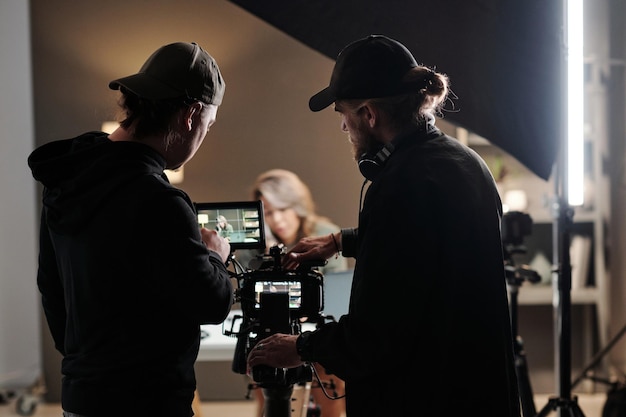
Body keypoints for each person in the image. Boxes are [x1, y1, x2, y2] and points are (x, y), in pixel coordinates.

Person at [247, 35, 521, 417]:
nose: (344, 127)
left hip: (424, 396)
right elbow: (432, 244)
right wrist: (340, 241)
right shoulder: (464, 162)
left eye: (343, 114)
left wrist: (300, 347)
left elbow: (378, 334)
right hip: (475, 391)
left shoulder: (398, 186)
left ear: (369, 115)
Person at [27, 42, 233, 417]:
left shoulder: (67, 179)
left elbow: (50, 287)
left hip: (81, 397)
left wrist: (91, 360)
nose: (204, 136)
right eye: (209, 125)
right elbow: (212, 303)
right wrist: (216, 256)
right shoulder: (160, 201)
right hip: (148, 402)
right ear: (190, 115)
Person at [246, 168, 347, 417]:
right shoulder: (256, 245)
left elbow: (330, 292)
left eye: (282, 209)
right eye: (268, 212)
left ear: (297, 205)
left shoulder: (325, 235)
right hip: (269, 331)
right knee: (266, 390)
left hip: (318, 335)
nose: (276, 220)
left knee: (329, 401)